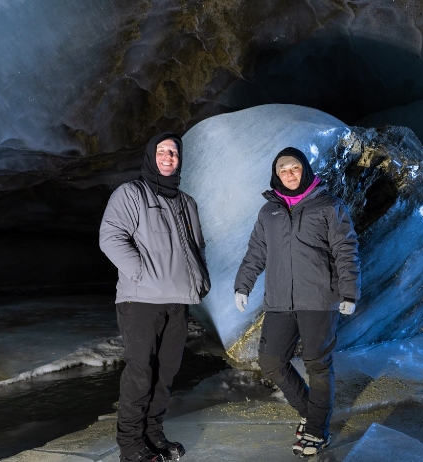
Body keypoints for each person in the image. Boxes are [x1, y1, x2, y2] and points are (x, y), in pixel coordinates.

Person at [234, 147, 360, 458]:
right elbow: (256, 252)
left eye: (294, 168)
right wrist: (243, 286)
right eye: (283, 170)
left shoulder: (329, 206)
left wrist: (349, 291)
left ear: (305, 169)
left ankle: (316, 431)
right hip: (279, 300)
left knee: (318, 365)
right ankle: (311, 413)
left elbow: (346, 251)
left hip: (318, 299)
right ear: (276, 175)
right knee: (271, 362)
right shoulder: (269, 212)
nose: (289, 174)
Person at [99, 132, 210, 462]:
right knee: (141, 373)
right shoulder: (131, 194)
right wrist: (141, 273)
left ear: (180, 159)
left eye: (173, 152)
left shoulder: (186, 202)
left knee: (165, 374)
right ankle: (131, 446)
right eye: (162, 151)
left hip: (177, 301)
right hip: (140, 301)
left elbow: (196, 249)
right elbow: (111, 237)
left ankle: (153, 435)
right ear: (151, 156)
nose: (168, 157)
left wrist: (200, 280)